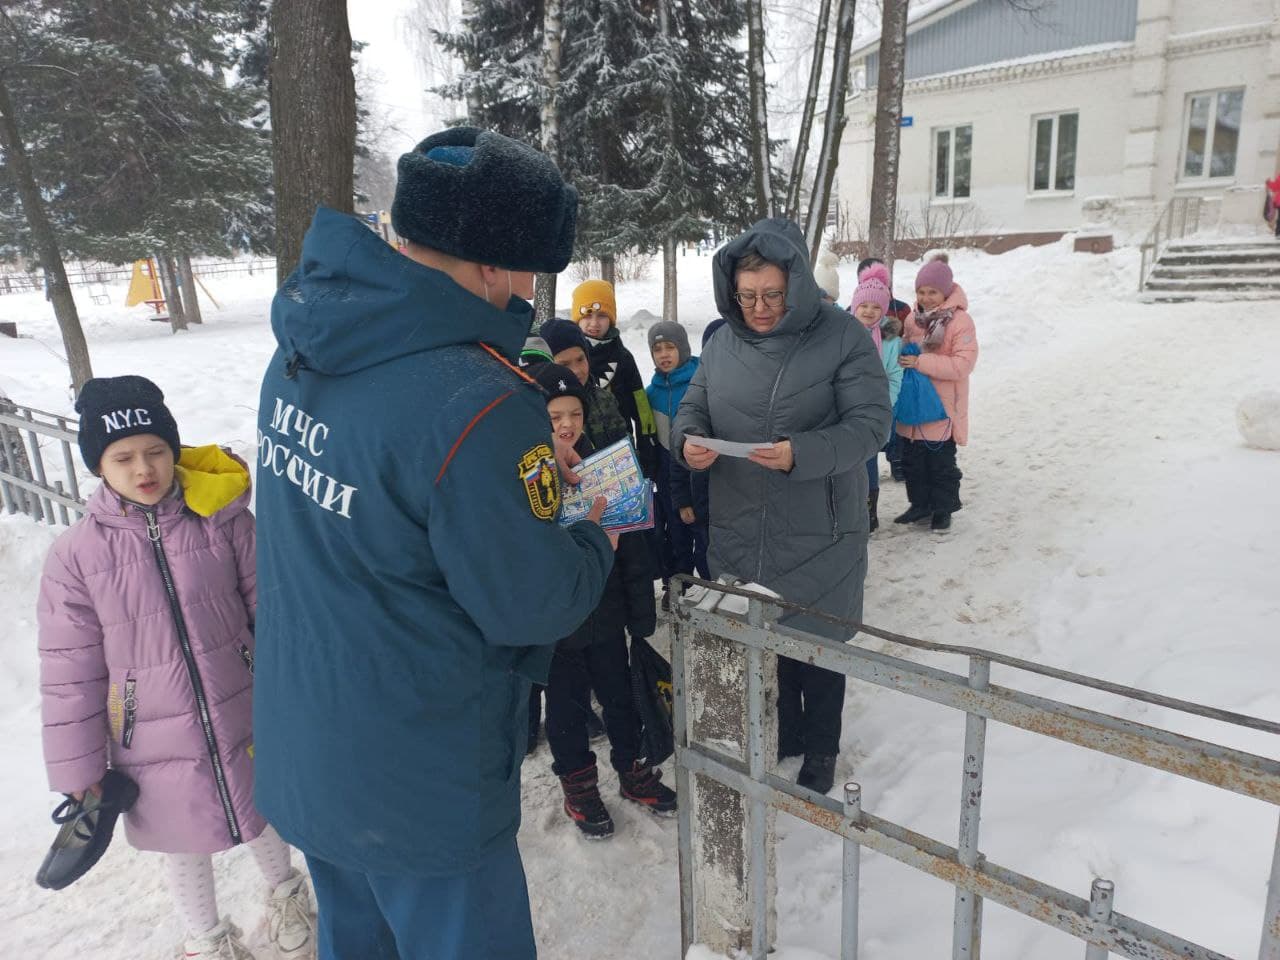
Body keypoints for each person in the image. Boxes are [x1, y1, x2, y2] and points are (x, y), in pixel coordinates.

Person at [252, 127, 615, 960]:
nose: (528, 287)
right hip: (418, 771)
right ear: (490, 263)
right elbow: (532, 600)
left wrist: (496, 489)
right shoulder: (478, 399)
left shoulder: (308, 342)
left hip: (314, 742)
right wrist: (590, 528)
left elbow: (377, 501)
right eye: (527, 266)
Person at [37, 375, 312, 960]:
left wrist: (296, 693)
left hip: (241, 704)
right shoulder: (76, 558)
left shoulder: (222, 520)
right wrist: (79, 769)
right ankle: (206, 939)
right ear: (98, 466)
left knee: (263, 811)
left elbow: (273, 611)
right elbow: (69, 671)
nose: (144, 468)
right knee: (179, 840)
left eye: (156, 450)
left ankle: (286, 892)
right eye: (124, 457)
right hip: (146, 731)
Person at [672, 218, 892, 796]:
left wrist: (803, 453)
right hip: (742, 520)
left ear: (795, 285)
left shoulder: (841, 336)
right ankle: (786, 732)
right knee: (764, 639)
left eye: (772, 294)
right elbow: (692, 408)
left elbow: (872, 426)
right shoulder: (721, 343)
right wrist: (688, 443)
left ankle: (821, 747)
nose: (760, 308)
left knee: (817, 644)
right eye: (747, 296)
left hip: (819, 524)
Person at [531, 363, 675, 838]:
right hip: (556, 623)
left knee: (622, 699)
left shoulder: (608, 467)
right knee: (567, 709)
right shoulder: (529, 477)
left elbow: (634, 547)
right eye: (555, 416)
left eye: (574, 412)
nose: (567, 424)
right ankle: (579, 787)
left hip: (607, 613)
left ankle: (633, 770)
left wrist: (640, 611)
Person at [893, 253, 979, 533]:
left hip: (941, 408)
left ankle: (942, 508)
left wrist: (921, 362)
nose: (926, 297)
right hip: (912, 405)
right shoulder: (913, 320)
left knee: (940, 464)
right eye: (921, 291)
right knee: (913, 463)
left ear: (945, 291)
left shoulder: (959, 322)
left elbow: (963, 364)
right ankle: (920, 504)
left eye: (932, 292)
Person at [645, 321, 708, 606]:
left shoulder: (699, 381)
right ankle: (677, 585)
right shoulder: (651, 392)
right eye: (657, 349)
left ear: (682, 348)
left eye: (670, 347)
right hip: (666, 472)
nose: (664, 354)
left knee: (703, 534)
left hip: (700, 471)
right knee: (676, 533)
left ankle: (711, 587)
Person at [572, 279, 661, 478]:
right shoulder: (567, 358)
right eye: (587, 315)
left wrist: (648, 451)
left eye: (602, 315)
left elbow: (641, 407)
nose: (594, 323)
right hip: (577, 460)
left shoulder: (623, 358)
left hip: (620, 456)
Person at [849, 269, 903, 531]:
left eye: (875, 307)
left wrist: (885, 405)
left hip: (872, 412)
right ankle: (848, 508)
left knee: (869, 460)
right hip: (843, 410)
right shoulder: (841, 334)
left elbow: (894, 374)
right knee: (846, 461)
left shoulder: (891, 342)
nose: (868, 311)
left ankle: (869, 512)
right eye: (863, 305)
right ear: (854, 306)